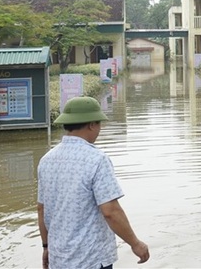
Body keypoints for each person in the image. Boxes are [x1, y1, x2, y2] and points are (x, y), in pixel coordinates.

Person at [37, 96, 150, 269]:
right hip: (92, 260)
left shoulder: (46, 160)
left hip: (59, 259)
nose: (99, 129)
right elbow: (110, 211)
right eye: (99, 124)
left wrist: (46, 246)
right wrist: (135, 243)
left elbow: (41, 209)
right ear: (91, 125)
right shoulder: (97, 159)